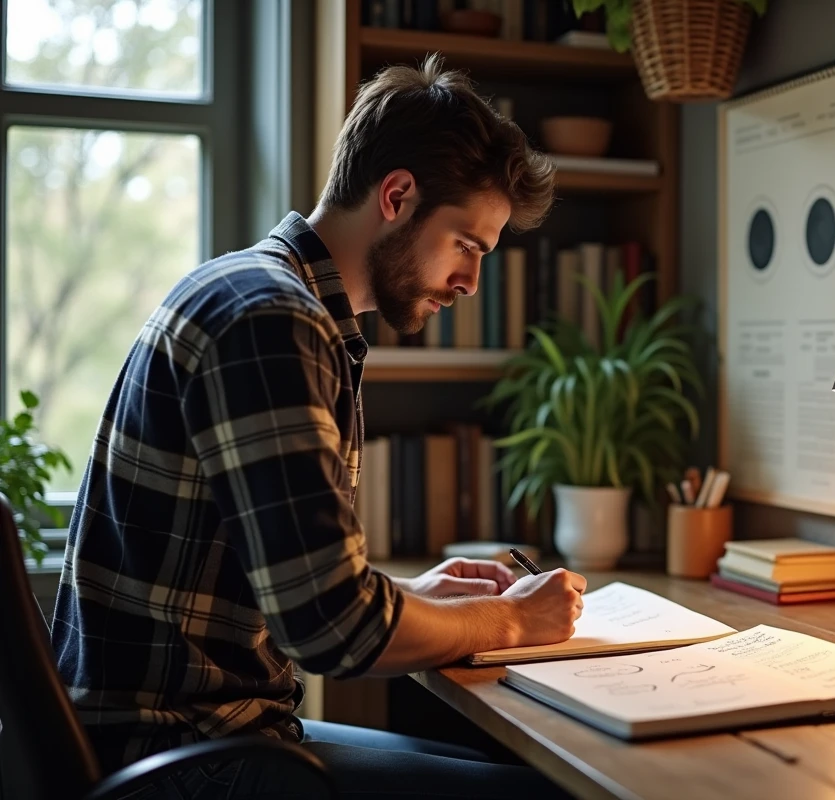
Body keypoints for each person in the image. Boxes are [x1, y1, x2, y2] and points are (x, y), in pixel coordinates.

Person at [50, 55, 582, 799]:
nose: (470, 281)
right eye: (468, 244)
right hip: (179, 760)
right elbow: (335, 630)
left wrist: (415, 597)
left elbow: (305, 588)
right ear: (397, 195)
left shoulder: (258, 292)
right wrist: (512, 621)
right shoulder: (273, 320)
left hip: (183, 738)